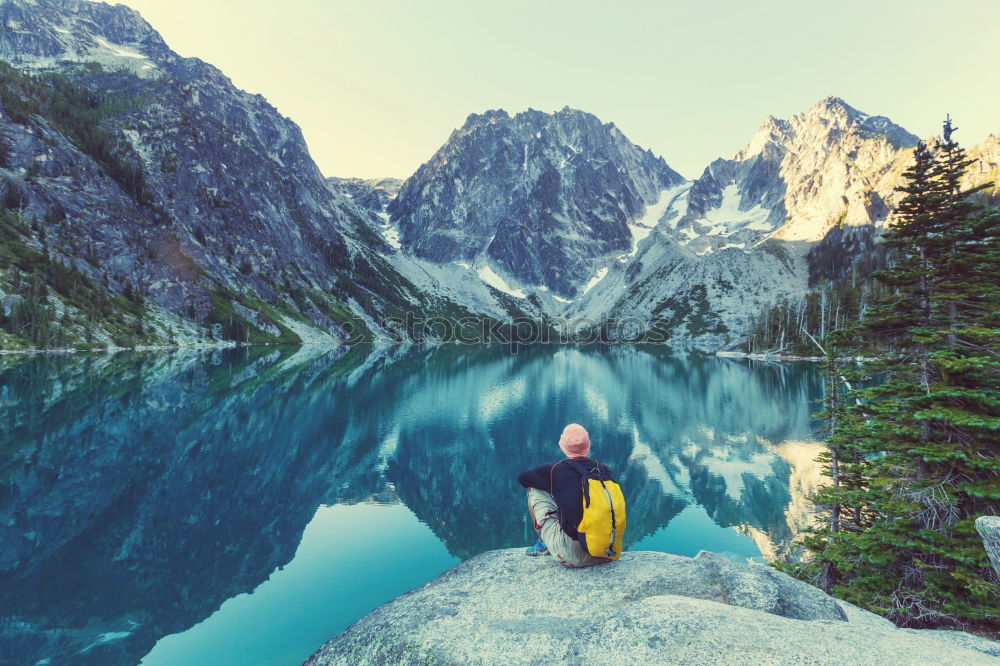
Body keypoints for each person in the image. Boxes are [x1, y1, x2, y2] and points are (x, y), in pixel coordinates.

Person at [517, 423, 615, 568]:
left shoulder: (555, 470)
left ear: (562, 445)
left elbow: (523, 478)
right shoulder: (603, 470)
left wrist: (551, 485)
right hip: (607, 553)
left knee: (535, 489)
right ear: (588, 445)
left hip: (573, 557)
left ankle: (544, 542)